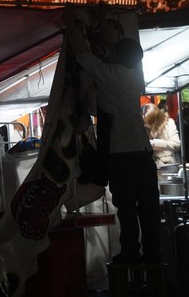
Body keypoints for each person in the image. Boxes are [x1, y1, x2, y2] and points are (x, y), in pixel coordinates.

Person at [66, 17, 160, 265]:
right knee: (149, 205)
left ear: (118, 56)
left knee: (126, 206)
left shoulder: (111, 73)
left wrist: (72, 25)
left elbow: (84, 58)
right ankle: (153, 253)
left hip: (121, 151)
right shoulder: (134, 75)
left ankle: (130, 253)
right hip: (142, 150)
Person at [142, 102, 181, 168]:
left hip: (167, 165)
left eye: (149, 122)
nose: (147, 124)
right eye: (145, 122)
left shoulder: (168, 123)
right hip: (148, 165)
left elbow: (176, 145)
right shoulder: (141, 126)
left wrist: (154, 143)